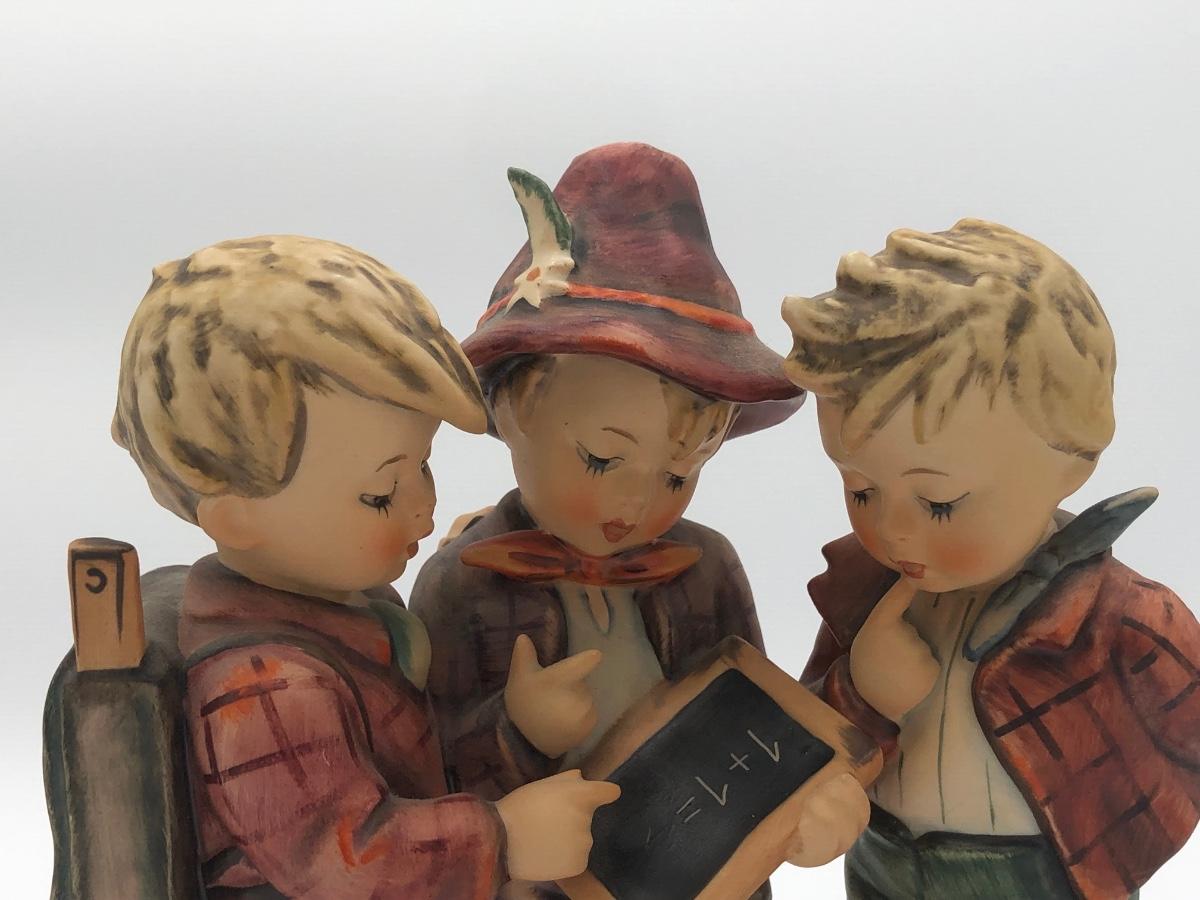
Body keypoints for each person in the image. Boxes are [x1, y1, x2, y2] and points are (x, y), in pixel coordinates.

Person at [411, 143, 868, 899]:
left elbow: (761, 730)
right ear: (513, 409)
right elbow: (424, 773)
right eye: (601, 459)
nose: (635, 506)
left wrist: (810, 814)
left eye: (678, 475)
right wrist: (519, 728)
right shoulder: (462, 586)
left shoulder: (707, 569)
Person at [112, 234, 618, 899]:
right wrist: (503, 838)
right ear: (238, 519)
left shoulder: (354, 609)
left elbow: (409, 775)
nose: (424, 509)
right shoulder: (267, 688)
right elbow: (345, 861)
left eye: (423, 466)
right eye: (381, 493)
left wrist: (515, 730)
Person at [782, 219, 1200, 899]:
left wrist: (1118, 849)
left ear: (1072, 464)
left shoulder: (1124, 619)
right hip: (882, 862)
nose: (892, 531)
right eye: (860, 489)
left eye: (939, 502)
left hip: (1031, 878)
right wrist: (858, 701)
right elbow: (797, 734)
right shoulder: (865, 596)